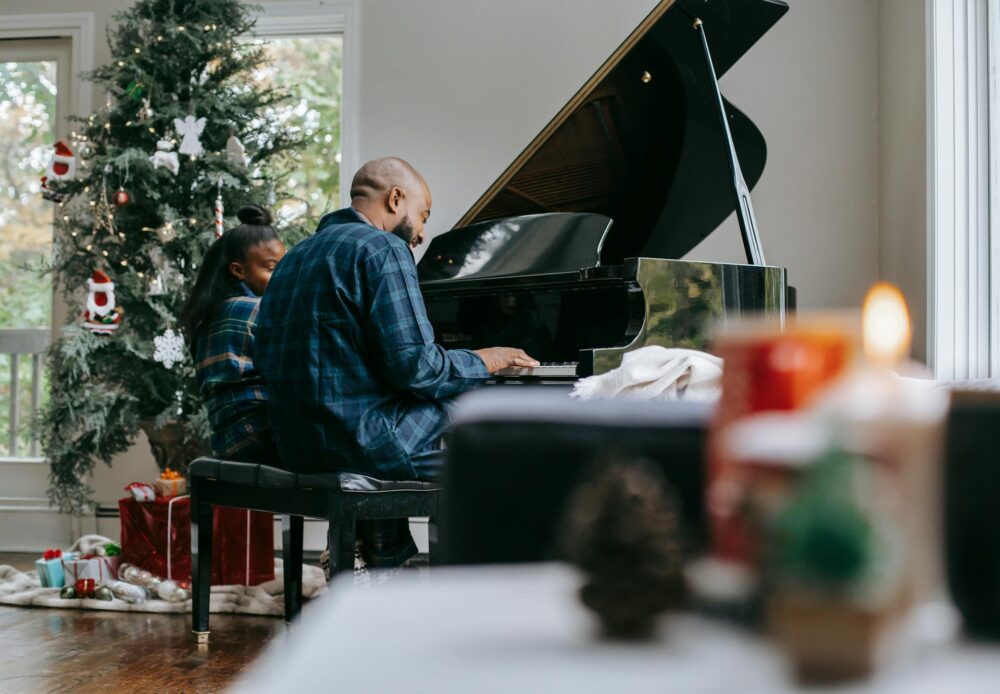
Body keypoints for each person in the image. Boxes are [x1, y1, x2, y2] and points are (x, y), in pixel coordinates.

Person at [255, 157, 537, 566]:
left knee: (404, 413)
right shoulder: (384, 247)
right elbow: (417, 369)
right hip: (361, 444)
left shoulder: (295, 257)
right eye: (423, 215)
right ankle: (485, 585)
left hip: (298, 446)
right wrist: (485, 359)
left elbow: (272, 356)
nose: (422, 233)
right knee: (500, 439)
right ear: (395, 198)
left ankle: (379, 560)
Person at [181, 204, 286, 463]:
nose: (281, 277)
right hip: (261, 435)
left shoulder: (209, 314)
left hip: (226, 440)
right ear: (238, 270)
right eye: (271, 268)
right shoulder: (258, 309)